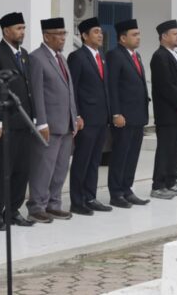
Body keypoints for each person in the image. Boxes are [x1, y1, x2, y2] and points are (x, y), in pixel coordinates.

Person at [0, 12, 36, 230]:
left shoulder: (24, 55)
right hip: (6, 123)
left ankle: (13, 210)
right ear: (6, 31)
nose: (22, 32)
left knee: (21, 170)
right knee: (0, 170)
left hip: (24, 122)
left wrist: (33, 118)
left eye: (23, 28)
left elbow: (28, 89)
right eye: (18, 28)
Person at [27, 17, 79, 223]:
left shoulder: (61, 58)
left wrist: (75, 118)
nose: (62, 38)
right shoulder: (37, 58)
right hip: (49, 124)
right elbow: (37, 93)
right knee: (43, 167)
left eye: (64, 33)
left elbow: (69, 91)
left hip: (66, 123)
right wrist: (41, 122)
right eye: (58, 34)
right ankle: (36, 206)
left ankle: (54, 203)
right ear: (46, 36)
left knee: (60, 167)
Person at [67, 17, 113, 215]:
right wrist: (76, 115)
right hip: (86, 118)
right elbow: (73, 89)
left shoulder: (101, 56)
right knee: (82, 159)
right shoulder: (77, 57)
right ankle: (77, 201)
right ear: (84, 36)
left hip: (101, 117)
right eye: (95, 32)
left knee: (95, 160)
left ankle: (90, 196)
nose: (100, 35)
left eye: (100, 31)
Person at [106, 19, 151, 208]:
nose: (138, 37)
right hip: (124, 116)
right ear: (122, 38)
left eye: (139, 34)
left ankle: (127, 189)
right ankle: (116, 193)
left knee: (132, 155)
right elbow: (112, 86)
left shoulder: (136, 55)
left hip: (138, 115)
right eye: (134, 34)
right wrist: (116, 113)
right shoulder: (115, 55)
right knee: (120, 155)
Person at [149, 19, 177, 199]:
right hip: (168, 113)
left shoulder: (176, 55)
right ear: (164, 36)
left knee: (175, 149)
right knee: (165, 149)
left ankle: (171, 181)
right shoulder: (160, 56)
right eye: (175, 34)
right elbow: (166, 85)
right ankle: (158, 185)